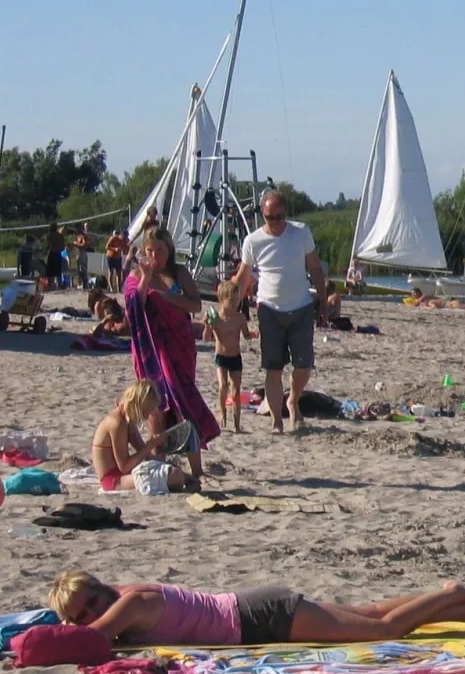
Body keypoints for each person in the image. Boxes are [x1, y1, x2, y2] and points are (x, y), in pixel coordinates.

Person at [48, 572, 465, 646]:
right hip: (254, 606)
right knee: (369, 612)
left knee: (384, 630)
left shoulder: (128, 603)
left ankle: (457, 590)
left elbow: (90, 640)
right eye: (80, 612)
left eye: (90, 601)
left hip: (259, 617)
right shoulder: (124, 599)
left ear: (102, 589)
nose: (90, 614)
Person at [125, 228, 219, 484]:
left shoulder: (179, 273)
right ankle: (159, 462)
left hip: (179, 346)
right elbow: (134, 307)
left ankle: (197, 467)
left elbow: (196, 305)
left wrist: (168, 297)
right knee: (156, 404)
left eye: (160, 250)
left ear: (169, 250)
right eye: (150, 251)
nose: (155, 255)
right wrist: (146, 279)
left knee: (182, 402)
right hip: (151, 349)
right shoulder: (135, 276)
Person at [232, 191, 328, 434]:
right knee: (273, 368)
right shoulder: (253, 241)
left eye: (279, 216)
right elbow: (243, 277)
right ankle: (277, 421)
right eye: (269, 217)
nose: (274, 222)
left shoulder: (301, 232)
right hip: (269, 309)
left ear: (286, 212)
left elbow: (315, 267)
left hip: (302, 307)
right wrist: (230, 309)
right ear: (262, 215)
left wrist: (324, 302)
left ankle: (293, 400)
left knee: (303, 366)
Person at [90, 380, 189, 493]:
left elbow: (144, 452)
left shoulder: (126, 420)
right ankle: (185, 479)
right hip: (113, 480)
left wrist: (162, 460)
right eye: (145, 412)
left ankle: (187, 479)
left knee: (172, 471)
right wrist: (150, 445)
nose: (146, 417)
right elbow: (124, 466)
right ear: (137, 405)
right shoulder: (117, 424)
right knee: (174, 476)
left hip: (123, 474)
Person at [203, 280, 256, 434]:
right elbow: (206, 339)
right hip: (221, 357)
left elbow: (246, 335)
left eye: (237, 300)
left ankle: (237, 424)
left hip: (235, 357)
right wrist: (207, 325)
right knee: (223, 386)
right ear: (222, 300)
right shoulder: (216, 318)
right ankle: (222, 413)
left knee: (236, 391)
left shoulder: (240, 318)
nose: (235, 303)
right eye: (231, 300)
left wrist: (253, 334)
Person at [43, 221, 66, 292]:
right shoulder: (60, 236)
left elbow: (48, 245)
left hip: (52, 253)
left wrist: (44, 251)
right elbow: (62, 246)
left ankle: (51, 285)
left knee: (50, 270)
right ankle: (59, 284)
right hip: (58, 253)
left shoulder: (49, 236)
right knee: (58, 270)